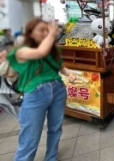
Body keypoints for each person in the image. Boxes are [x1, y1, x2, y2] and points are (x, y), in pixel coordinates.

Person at [5, 19, 76, 161]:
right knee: (30, 135)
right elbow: (40, 53)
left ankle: (52, 157)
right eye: (41, 30)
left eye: (47, 30)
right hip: (35, 93)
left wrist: (69, 73)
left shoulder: (52, 50)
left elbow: (60, 67)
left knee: (55, 128)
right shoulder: (20, 51)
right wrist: (52, 33)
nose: (45, 33)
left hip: (58, 89)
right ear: (30, 33)